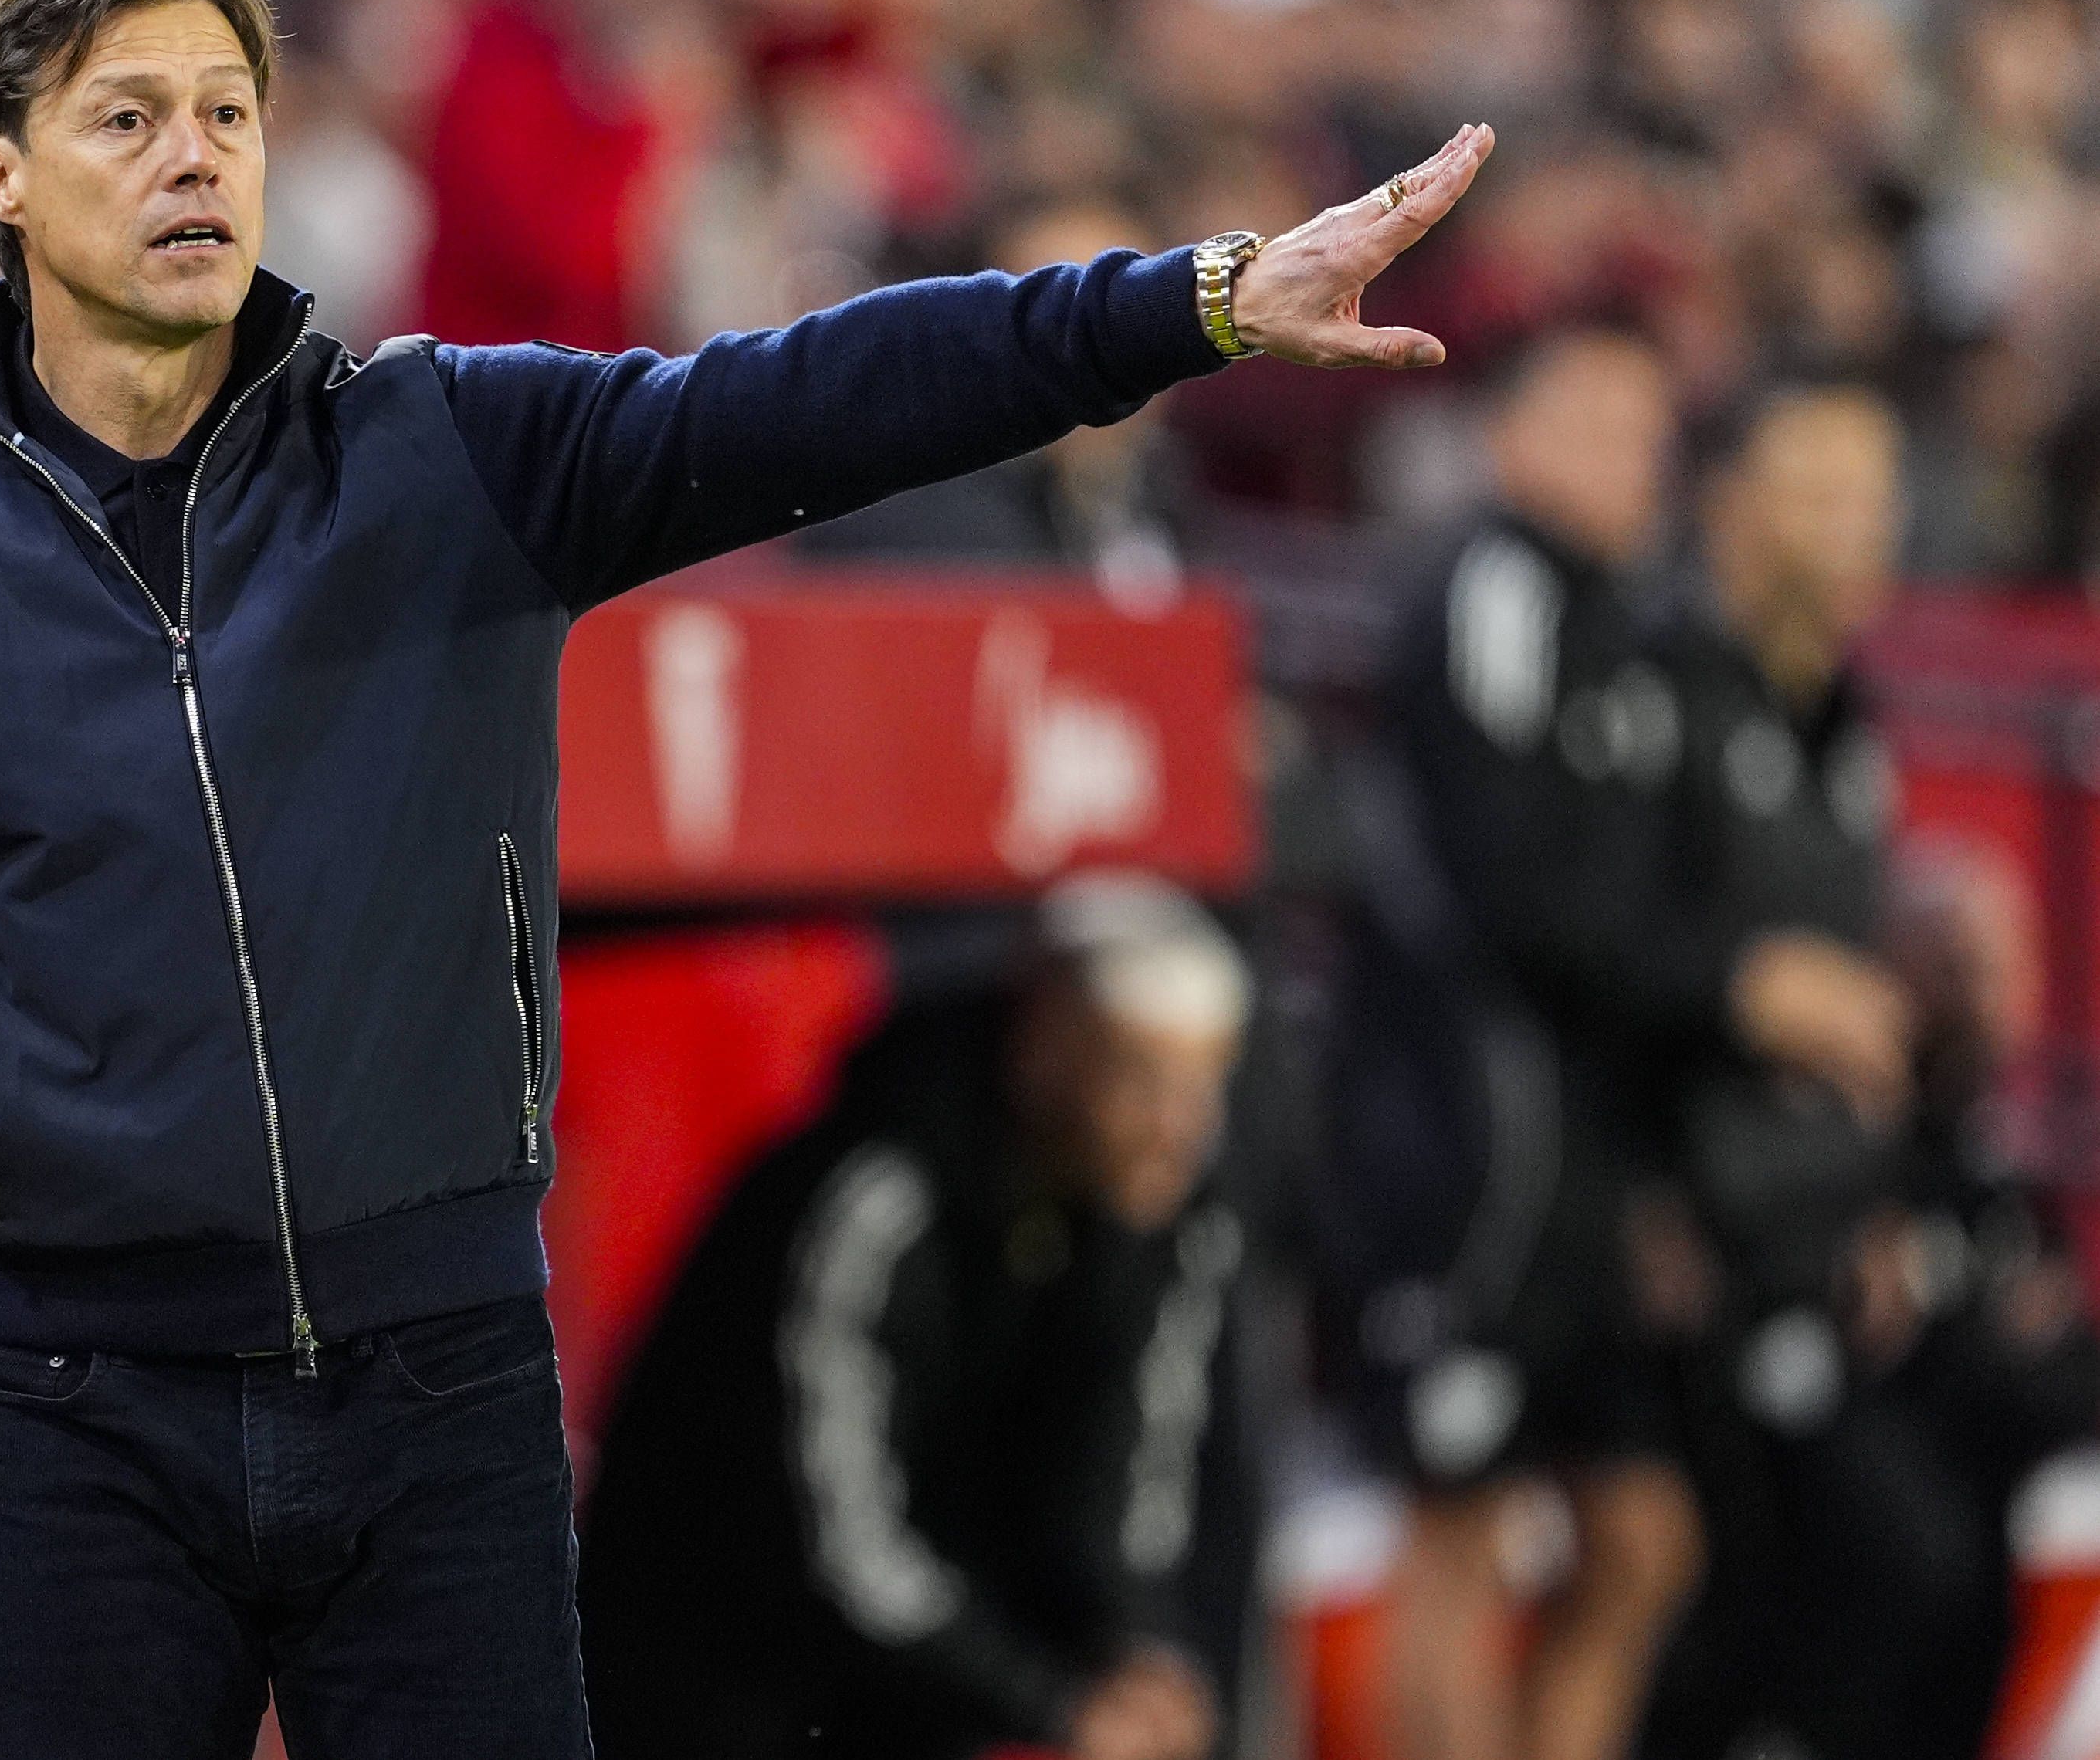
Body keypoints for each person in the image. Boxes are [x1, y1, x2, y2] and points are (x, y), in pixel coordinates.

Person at [0, 0, 1495, 1749]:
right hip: (63, 1398)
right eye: (129, 117)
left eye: (228, 112)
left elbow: (818, 395)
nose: (193, 152)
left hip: (440, 1382)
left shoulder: (443, 454)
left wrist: (1191, 305)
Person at [1329, 331, 1911, 1760]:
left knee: (1641, 1533)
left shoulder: (1622, 626)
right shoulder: (1497, 587)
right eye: (1591, 417)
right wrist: (1736, 985)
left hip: (1586, 1150)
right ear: (1505, 433)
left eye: (1649, 426)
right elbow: (1525, 889)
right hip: (1473, 1138)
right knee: (1459, 1535)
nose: (1627, 452)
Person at [579, 876, 1255, 1760]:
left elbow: (1117, 1490)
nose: (1178, 1129)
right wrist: (1046, 1696)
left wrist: (1132, 1656)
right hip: (713, 1681)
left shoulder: (1159, 1217)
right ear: (1045, 1043)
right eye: (1142, 1080)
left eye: (1202, 1088)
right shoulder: (868, 1193)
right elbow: (826, 1539)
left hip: (903, 1695)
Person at [1636, 384, 2059, 1760]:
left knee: (2017, 1444)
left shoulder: (1838, 716)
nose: (1867, 523)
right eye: (1826, 488)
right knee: (1887, 1563)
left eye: (1878, 491)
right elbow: (1589, 953)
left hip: (1838, 1227)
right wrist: (1658, 1182)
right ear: (1729, 506)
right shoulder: (1662, 700)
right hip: (1712, 1251)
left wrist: (1895, 1203)